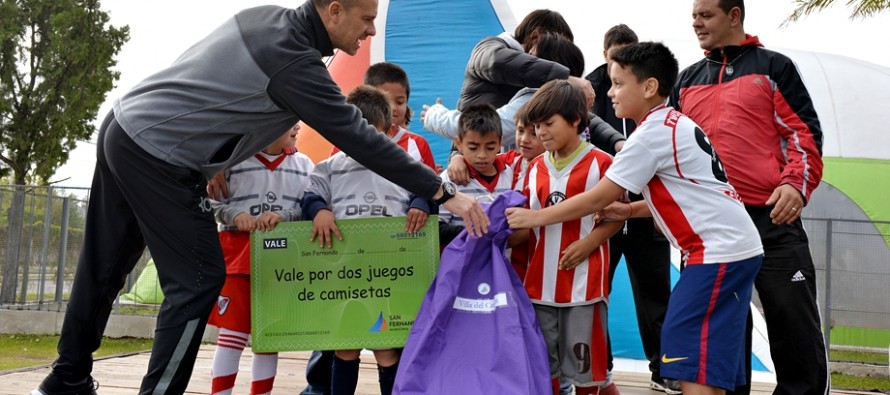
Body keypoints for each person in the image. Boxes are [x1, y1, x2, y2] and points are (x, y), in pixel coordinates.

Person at [31, 1, 488, 394]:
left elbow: (217, 90)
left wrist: (215, 159)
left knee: (104, 266)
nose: (371, 29)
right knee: (196, 280)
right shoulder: (297, 64)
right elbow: (360, 138)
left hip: (127, 126)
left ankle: (66, 378)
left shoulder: (269, 20)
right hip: (158, 154)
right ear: (333, 11)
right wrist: (443, 192)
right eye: (366, 18)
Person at [507, 42, 764, 395]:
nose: (609, 93)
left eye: (617, 83)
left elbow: (596, 199)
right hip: (730, 249)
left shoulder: (647, 137)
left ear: (648, 87)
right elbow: (689, 195)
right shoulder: (673, 123)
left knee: (685, 349)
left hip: (716, 252)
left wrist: (533, 218)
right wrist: (629, 210)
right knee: (707, 359)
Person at [669, 1, 827, 394]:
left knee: (794, 326)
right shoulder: (686, 80)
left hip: (772, 220)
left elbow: (803, 135)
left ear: (734, 15)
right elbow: (667, 149)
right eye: (694, 15)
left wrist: (794, 184)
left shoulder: (775, 67)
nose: (696, 22)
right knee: (721, 334)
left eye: (706, 15)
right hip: (713, 229)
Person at [300, 61, 438, 395]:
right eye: (359, 133)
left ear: (386, 130)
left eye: (374, 134)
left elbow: (430, 188)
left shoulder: (404, 162)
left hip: (389, 272)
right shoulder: (331, 166)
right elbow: (310, 195)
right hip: (345, 272)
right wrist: (319, 211)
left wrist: (421, 202)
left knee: (386, 346)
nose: (367, 141)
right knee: (344, 345)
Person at [509, 79, 623, 395]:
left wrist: (588, 243)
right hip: (538, 287)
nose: (540, 133)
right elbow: (526, 226)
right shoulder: (533, 168)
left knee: (585, 369)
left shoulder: (603, 164)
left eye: (548, 124)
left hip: (584, 288)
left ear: (575, 120)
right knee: (545, 368)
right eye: (534, 126)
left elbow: (616, 218)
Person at [586, 24, 679, 395]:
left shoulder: (659, 110)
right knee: (596, 293)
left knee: (656, 295)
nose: (615, 86)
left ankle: (664, 370)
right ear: (605, 54)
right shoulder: (589, 89)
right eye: (613, 62)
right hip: (604, 214)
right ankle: (600, 368)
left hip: (644, 212)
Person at [207, 123, 314, 395]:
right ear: (267, 122)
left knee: (268, 338)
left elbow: (311, 207)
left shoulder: (304, 165)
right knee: (232, 337)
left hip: (281, 263)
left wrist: (285, 217)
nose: (297, 126)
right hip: (236, 259)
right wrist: (233, 215)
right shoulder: (232, 162)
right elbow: (210, 202)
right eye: (289, 120)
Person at [424, 32, 625, 155]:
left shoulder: (534, 99)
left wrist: (435, 115)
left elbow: (486, 128)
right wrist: (617, 142)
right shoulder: (568, 107)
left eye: (534, 58)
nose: (528, 62)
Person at [457, 9, 594, 112]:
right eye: (556, 44)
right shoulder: (489, 48)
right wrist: (565, 78)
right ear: (535, 36)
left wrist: (613, 140)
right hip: (472, 147)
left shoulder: (538, 75)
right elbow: (497, 62)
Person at [438, 103, 514, 232]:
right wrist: (473, 236)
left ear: (500, 143)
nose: (482, 155)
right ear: (459, 144)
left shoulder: (510, 173)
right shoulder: (449, 179)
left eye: (490, 147)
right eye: (473, 148)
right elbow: (438, 225)